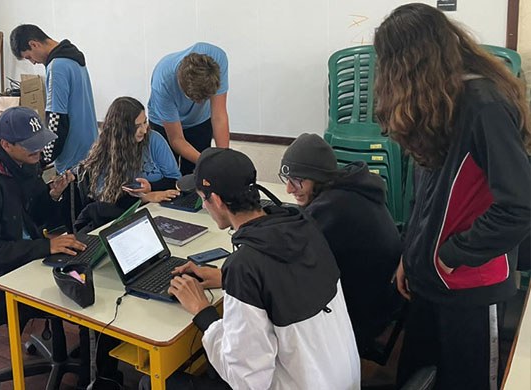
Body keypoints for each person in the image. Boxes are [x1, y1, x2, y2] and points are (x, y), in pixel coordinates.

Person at [374, 4, 531, 389]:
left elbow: (520, 206)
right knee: (416, 376)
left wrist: (452, 255)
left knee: (467, 381)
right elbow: (424, 194)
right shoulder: (434, 100)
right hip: (428, 279)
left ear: (408, 61)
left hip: (470, 287)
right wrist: (409, 255)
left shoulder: (485, 105)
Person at [145, 148, 360, 389]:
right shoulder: (302, 226)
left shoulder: (246, 266)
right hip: (341, 378)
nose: (205, 206)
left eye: (202, 199)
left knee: (153, 382)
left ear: (215, 200)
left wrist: (202, 311)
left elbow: (247, 381)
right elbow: (284, 281)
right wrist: (224, 277)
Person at [0, 106, 83, 328]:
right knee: (77, 291)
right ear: (6, 145)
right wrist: (46, 246)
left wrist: (53, 195)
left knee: (83, 276)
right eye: (31, 145)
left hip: (24, 255)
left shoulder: (23, 164)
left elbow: (35, 216)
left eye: (40, 142)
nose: (39, 150)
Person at [279, 133, 403, 355]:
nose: (289, 189)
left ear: (317, 178)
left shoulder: (333, 209)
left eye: (297, 180)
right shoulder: (351, 190)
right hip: (381, 303)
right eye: (286, 179)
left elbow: (288, 264)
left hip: (360, 321)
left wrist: (227, 277)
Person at [74, 97, 181, 230]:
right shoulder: (105, 153)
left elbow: (175, 180)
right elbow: (109, 202)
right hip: (124, 221)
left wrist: (151, 187)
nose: (144, 130)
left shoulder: (154, 140)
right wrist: (145, 198)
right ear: (122, 130)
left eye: (145, 122)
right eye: (137, 126)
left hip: (161, 212)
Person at [9, 24, 98, 173]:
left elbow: (56, 119)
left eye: (29, 57)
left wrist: (44, 157)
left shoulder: (57, 67)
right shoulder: (74, 58)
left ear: (33, 44)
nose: (33, 62)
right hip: (90, 150)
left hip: (72, 160)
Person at [148, 42, 230, 175]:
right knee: (167, 174)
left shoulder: (218, 59)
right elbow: (176, 139)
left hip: (199, 121)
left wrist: (224, 159)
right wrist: (206, 162)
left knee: (196, 174)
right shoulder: (162, 82)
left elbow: (219, 116)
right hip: (163, 124)